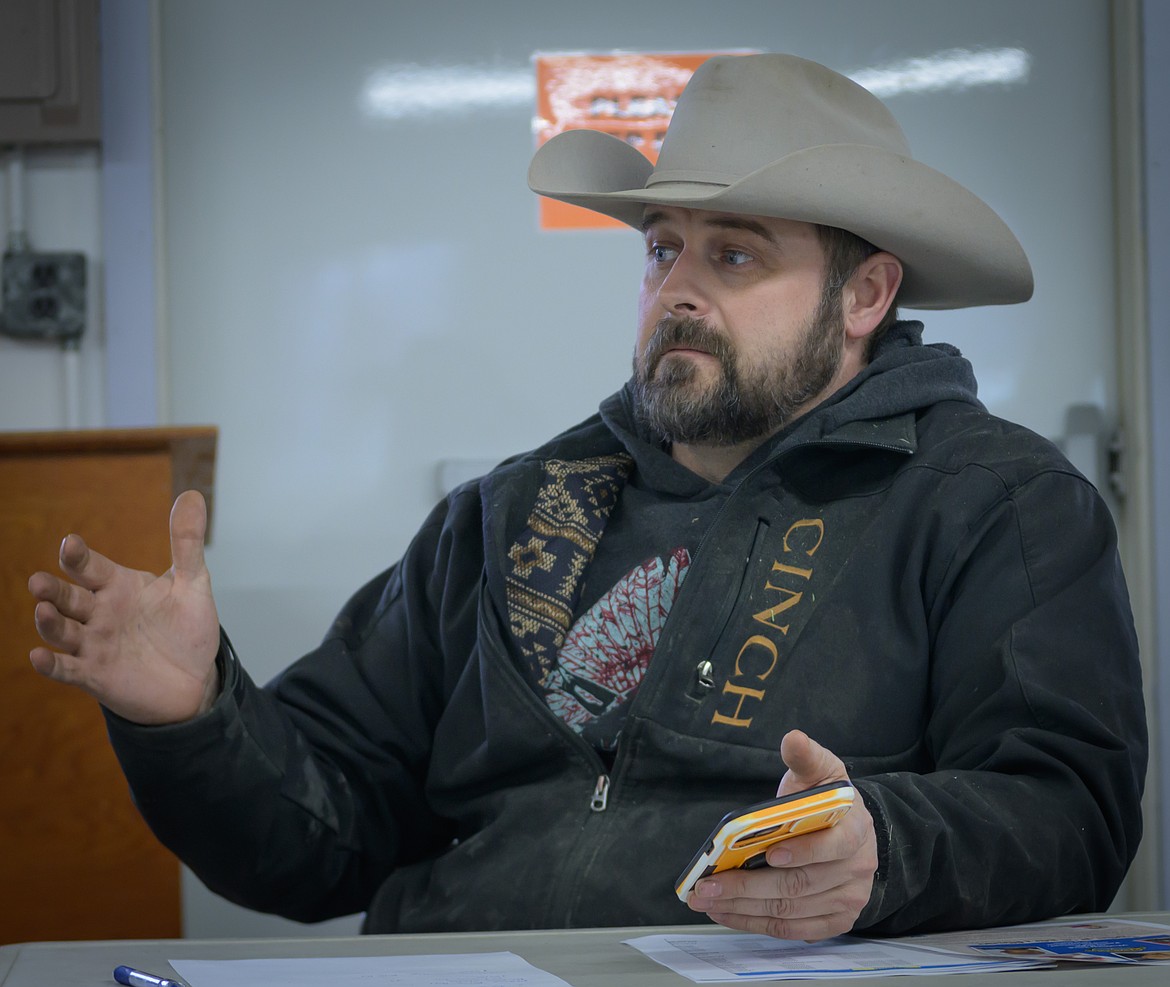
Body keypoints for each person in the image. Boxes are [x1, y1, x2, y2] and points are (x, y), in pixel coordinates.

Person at [27, 53, 1146, 942]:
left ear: (864, 293)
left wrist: (888, 849)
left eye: (737, 256)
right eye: (663, 251)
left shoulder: (1000, 504)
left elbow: (1068, 814)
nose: (681, 290)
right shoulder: (503, 514)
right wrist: (190, 717)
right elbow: (320, 845)